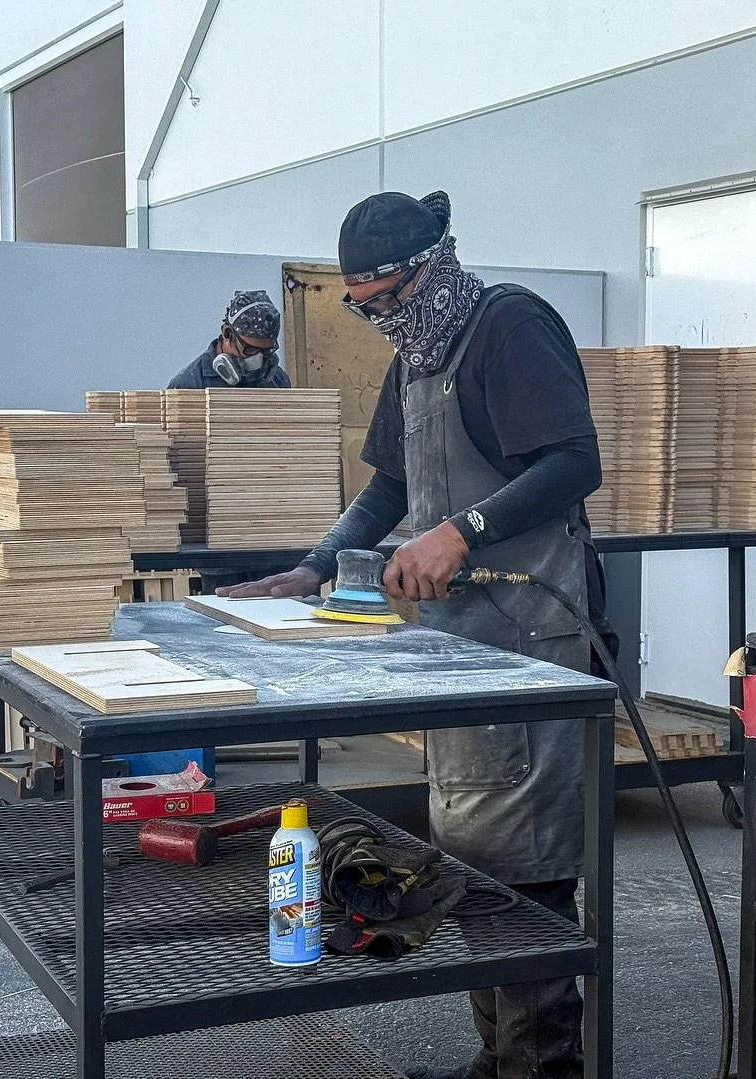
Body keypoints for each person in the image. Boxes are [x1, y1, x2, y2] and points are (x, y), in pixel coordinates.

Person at [217, 190, 616, 1079]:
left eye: (388, 298)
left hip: (532, 642)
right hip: (460, 644)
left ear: (431, 268)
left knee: (527, 868)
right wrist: (314, 566)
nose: (381, 319)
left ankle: (541, 1069)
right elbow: (389, 488)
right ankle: (502, 1063)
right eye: (363, 307)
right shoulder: (418, 357)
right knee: (475, 859)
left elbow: (574, 460)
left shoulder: (508, 326)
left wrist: (462, 531)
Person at [167, 289, 289, 389]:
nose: (259, 359)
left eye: (267, 351)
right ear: (227, 333)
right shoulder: (188, 385)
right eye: (250, 349)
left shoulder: (278, 380)